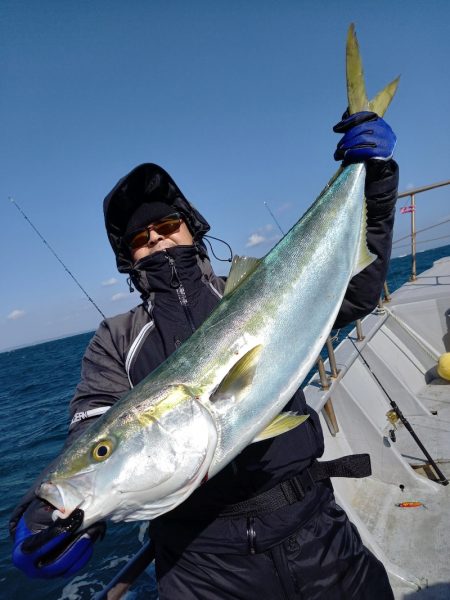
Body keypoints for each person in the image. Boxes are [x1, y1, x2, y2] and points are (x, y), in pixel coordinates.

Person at [10, 111, 399, 598]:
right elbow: (96, 432)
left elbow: (357, 294)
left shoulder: (250, 291)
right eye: (138, 238)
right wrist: (50, 509)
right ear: (129, 260)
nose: (155, 238)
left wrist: (375, 184)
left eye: (167, 224)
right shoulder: (115, 339)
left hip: (314, 529)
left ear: (191, 229)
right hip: (202, 566)